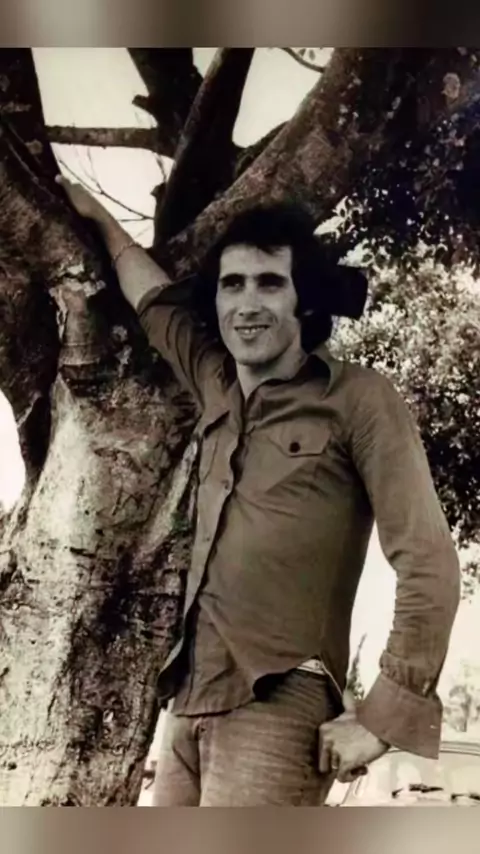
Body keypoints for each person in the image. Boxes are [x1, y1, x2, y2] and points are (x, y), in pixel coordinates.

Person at [57, 175, 460, 807]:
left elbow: (428, 560)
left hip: (281, 702)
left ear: (304, 301)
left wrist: (383, 717)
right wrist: (100, 220)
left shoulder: (357, 399)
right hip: (188, 698)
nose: (247, 303)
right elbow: (155, 302)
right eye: (233, 284)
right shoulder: (215, 381)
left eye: (270, 283)